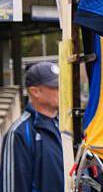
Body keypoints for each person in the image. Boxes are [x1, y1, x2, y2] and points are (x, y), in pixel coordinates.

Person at [1, 62, 63, 192]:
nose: (62, 90)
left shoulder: (64, 126)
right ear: (35, 92)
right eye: (56, 86)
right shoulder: (19, 133)